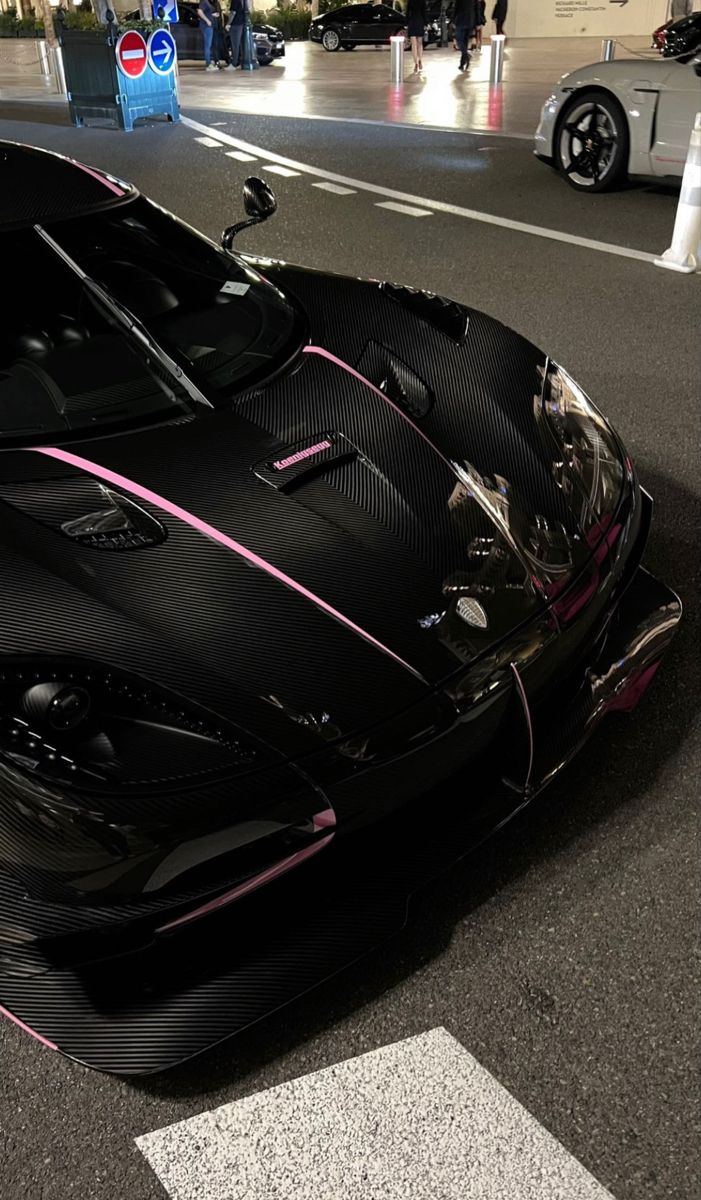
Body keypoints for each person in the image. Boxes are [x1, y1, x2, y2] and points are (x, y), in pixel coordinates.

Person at [453, 0, 476, 70]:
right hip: (470, 21)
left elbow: (456, 9)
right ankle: (462, 63)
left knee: (459, 41)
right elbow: (476, 9)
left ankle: (466, 55)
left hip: (461, 21)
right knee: (464, 43)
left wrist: (453, 20)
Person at [405, 0, 427, 73]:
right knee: (420, 43)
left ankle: (416, 64)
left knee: (413, 44)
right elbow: (424, 12)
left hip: (412, 21)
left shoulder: (410, 1)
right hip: (420, 21)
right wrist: (426, 23)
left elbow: (407, 12)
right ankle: (420, 60)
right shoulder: (422, 1)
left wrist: (406, 23)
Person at [197, 0, 217, 70]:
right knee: (207, 45)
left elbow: (206, 12)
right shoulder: (204, 1)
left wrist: (212, 15)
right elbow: (199, 11)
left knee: (208, 45)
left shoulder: (206, 2)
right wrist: (207, 20)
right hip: (206, 26)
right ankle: (208, 65)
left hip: (209, 26)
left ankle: (209, 63)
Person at [226, 0, 246, 69]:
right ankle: (239, 62)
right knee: (239, 45)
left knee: (235, 45)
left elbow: (233, 13)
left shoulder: (234, 0)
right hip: (241, 24)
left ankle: (234, 64)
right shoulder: (242, 1)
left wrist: (228, 24)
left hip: (235, 25)